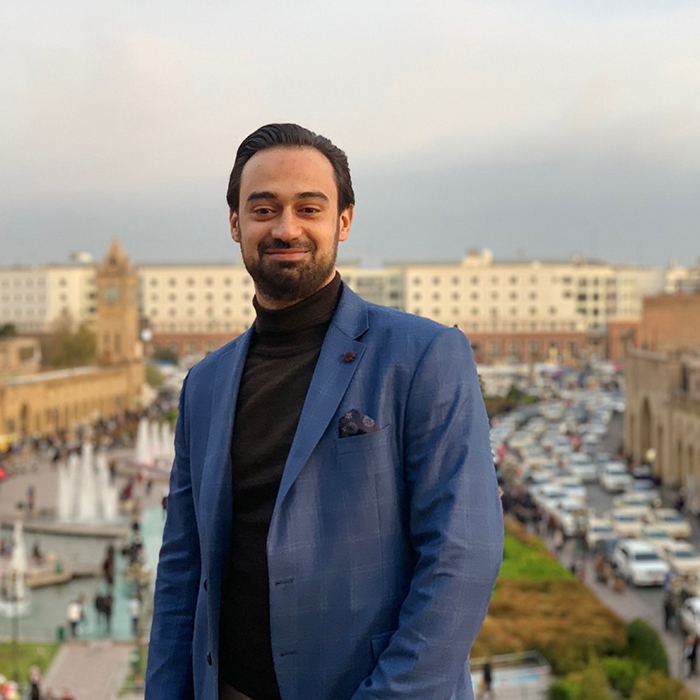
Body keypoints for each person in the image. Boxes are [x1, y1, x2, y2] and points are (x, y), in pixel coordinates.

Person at [145, 123, 503, 700]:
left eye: (308, 207)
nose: (286, 227)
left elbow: (464, 554)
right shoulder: (204, 385)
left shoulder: (422, 356)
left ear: (343, 220)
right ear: (236, 223)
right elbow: (183, 571)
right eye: (263, 208)